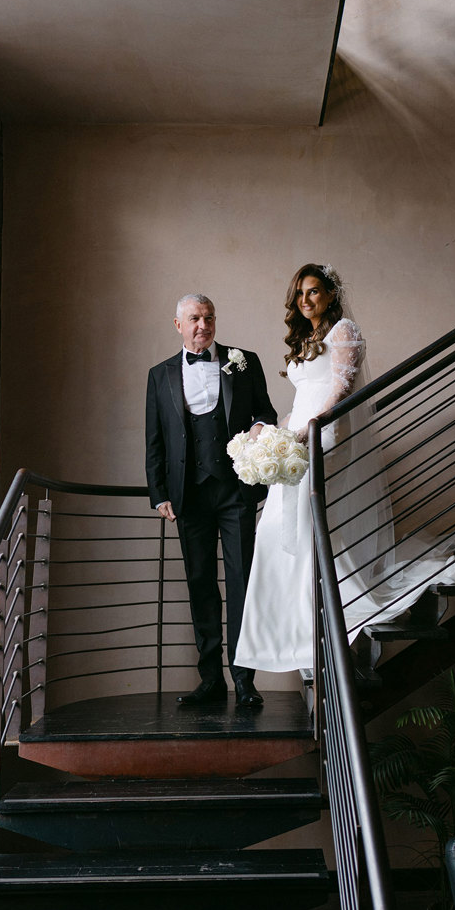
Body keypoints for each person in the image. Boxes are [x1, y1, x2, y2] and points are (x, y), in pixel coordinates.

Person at [235, 263, 455, 672]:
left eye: (314, 291)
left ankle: (322, 624)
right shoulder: (307, 338)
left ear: (330, 294)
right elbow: (302, 398)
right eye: (300, 294)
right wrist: (273, 436)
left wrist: (307, 433)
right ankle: (288, 632)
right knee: (281, 526)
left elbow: (338, 392)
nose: (306, 300)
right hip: (298, 432)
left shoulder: (343, 331)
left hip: (326, 435)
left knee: (308, 522)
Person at [145, 293, 278, 706]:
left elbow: (266, 413)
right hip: (189, 496)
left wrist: (258, 427)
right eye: (194, 319)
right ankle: (210, 678)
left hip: (235, 492)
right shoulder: (160, 374)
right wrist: (158, 493)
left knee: (241, 583)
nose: (203, 325)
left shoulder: (244, 360)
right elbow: (154, 439)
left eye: (208, 317)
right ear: (178, 325)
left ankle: (244, 679)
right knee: (200, 584)